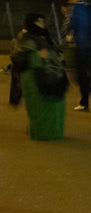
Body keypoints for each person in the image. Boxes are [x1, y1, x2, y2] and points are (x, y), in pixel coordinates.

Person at [11, 13, 69, 141]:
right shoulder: (24, 39)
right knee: (39, 109)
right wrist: (37, 56)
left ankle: (55, 132)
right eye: (38, 22)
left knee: (56, 107)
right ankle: (40, 133)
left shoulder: (46, 36)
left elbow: (55, 52)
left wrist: (58, 58)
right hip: (34, 80)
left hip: (54, 79)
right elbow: (18, 59)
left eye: (42, 21)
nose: (41, 24)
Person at [65, 0, 91, 111]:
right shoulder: (89, 8)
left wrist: (69, 32)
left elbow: (73, 23)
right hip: (89, 43)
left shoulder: (78, 8)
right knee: (87, 69)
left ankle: (84, 101)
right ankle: (89, 93)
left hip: (81, 44)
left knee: (80, 73)